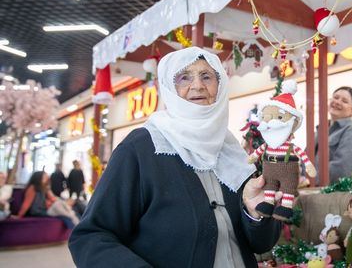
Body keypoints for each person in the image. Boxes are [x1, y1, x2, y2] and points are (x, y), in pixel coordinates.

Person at [69, 47, 281, 268]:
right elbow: (91, 235)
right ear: (169, 87)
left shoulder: (231, 150)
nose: (197, 85)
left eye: (207, 76)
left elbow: (262, 244)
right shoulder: (141, 149)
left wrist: (254, 215)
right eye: (184, 77)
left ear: (220, 86)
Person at [316, 86, 352, 183]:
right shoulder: (321, 129)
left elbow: (342, 171)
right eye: (335, 97)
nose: (337, 102)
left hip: (331, 195)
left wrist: (310, 176)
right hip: (310, 190)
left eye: (344, 101)